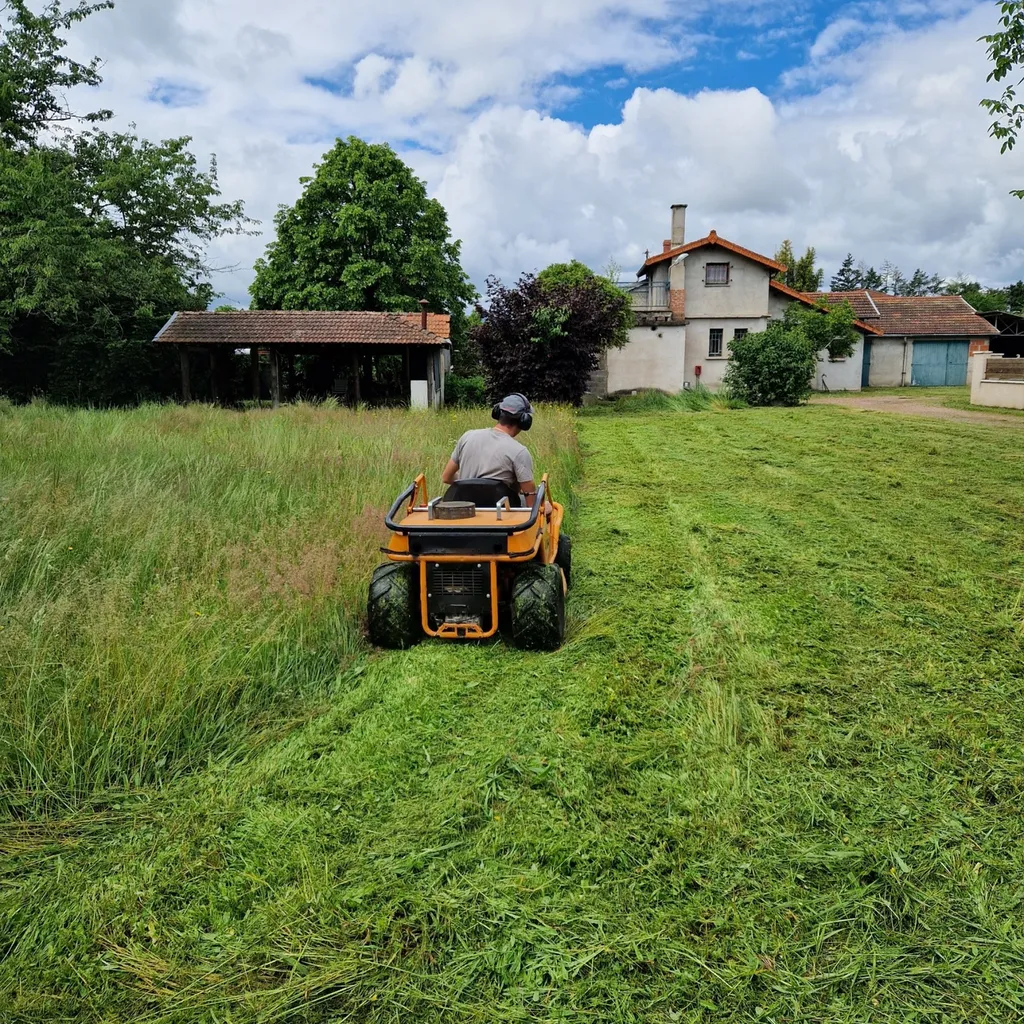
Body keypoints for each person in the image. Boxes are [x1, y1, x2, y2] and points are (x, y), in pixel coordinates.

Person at [441, 393, 541, 507]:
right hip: (502, 517)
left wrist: (470, 483)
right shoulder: (520, 452)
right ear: (524, 421)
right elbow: (531, 506)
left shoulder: (467, 437)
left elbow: (446, 477)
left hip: (464, 512)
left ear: (498, 413)